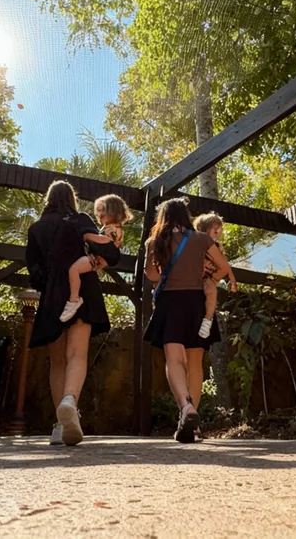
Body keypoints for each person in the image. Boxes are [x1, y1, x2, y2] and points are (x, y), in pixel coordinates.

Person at [25, 181, 111, 446]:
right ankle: (69, 401)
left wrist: (50, 284)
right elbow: (102, 250)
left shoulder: (37, 228)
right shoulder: (80, 219)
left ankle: (59, 425)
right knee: (77, 354)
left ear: (48, 200)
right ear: (72, 199)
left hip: (52, 294)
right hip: (83, 290)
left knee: (58, 361)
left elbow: (34, 270)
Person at [142, 198, 234, 443]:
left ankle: (185, 408)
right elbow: (224, 268)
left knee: (174, 359)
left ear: (163, 217)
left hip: (170, 303)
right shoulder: (201, 239)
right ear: (186, 216)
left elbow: (151, 274)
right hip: (197, 303)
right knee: (195, 363)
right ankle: (193, 426)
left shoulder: (155, 242)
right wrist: (208, 280)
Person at [61, 194, 132, 322]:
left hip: (98, 257)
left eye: (102, 210)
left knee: (74, 270)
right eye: (98, 210)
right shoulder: (111, 227)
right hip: (98, 258)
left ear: (113, 211)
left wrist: (88, 236)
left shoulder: (113, 229)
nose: (99, 214)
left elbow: (107, 241)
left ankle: (74, 299)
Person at [192, 213, 236, 339]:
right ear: (205, 230)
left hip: (208, 279)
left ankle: (208, 320)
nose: (218, 232)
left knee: (212, 292)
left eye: (220, 230)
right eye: (215, 230)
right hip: (194, 279)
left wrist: (232, 279)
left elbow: (225, 265)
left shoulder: (218, 248)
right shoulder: (196, 244)